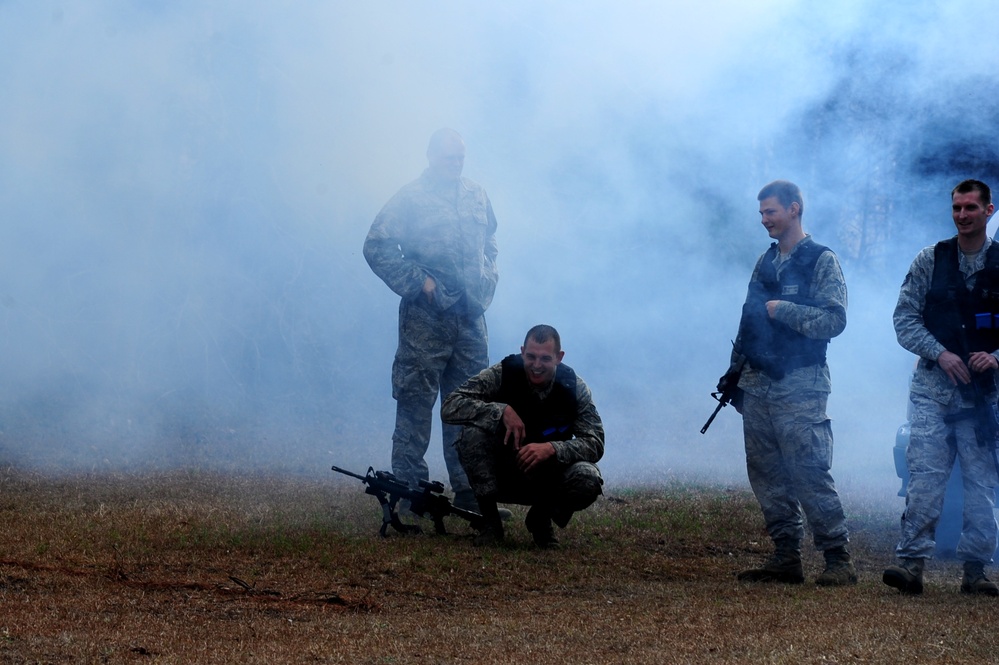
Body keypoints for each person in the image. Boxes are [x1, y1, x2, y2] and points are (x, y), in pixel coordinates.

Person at [720, 180, 856, 586]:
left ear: (794, 209)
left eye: (771, 212)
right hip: (758, 382)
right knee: (766, 471)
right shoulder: (765, 262)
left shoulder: (821, 260)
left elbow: (835, 319)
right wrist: (735, 375)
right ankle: (786, 555)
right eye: (761, 214)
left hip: (801, 382)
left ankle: (838, 559)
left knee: (808, 469)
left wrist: (786, 311)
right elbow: (747, 322)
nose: (764, 220)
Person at [363, 128, 498, 512]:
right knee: (415, 404)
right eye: (447, 157)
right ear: (430, 156)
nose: (455, 164)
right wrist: (418, 282)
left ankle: (473, 494)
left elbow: (490, 243)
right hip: (426, 322)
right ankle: (410, 494)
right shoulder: (411, 199)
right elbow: (376, 246)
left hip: (470, 320)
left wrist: (489, 279)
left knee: (470, 406)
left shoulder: (477, 195)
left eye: (460, 158)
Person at [883, 179, 999, 596]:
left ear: (989, 211)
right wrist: (941, 353)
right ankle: (911, 564)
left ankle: (976, 570)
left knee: (982, 485)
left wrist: (996, 356)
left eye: (971, 208)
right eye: (957, 208)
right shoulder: (930, 260)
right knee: (925, 479)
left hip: (984, 395)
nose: (963, 215)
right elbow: (904, 320)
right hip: (933, 389)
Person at [441, 324, 604, 548]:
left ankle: (541, 519)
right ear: (522, 352)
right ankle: (490, 524)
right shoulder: (503, 373)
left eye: (545, 358)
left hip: (548, 480)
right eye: (531, 357)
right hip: (502, 475)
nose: (536, 366)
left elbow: (595, 442)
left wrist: (552, 448)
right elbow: (450, 406)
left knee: (588, 478)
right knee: (471, 435)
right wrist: (500, 411)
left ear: (559, 357)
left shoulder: (574, 387)